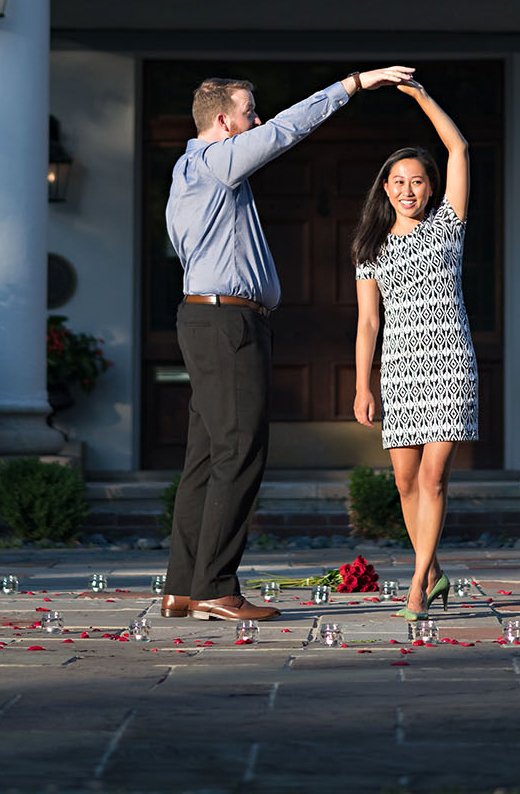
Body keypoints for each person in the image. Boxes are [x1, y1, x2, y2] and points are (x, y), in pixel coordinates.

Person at [163, 64, 415, 623]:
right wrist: (351, 85)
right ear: (225, 122)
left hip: (204, 319)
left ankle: (183, 585)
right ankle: (214, 587)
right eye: (249, 113)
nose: (258, 122)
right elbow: (286, 131)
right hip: (227, 323)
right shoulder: (216, 161)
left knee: (206, 456)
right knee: (239, 452)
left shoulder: (189, 171)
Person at [352, 80, 476, 620]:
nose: (408, 189)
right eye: (397, 181)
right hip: (401, 370)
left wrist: (421, 98)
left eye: (417, 181)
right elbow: (367, 322)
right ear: (385, 188)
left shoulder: (449, 226)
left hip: (450, 361)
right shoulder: (369, 247)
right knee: (404, 480)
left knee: (434, 477)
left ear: (431, 189)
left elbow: (459, 149)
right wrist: (362, 385)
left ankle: (417, 585)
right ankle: (434, 568)